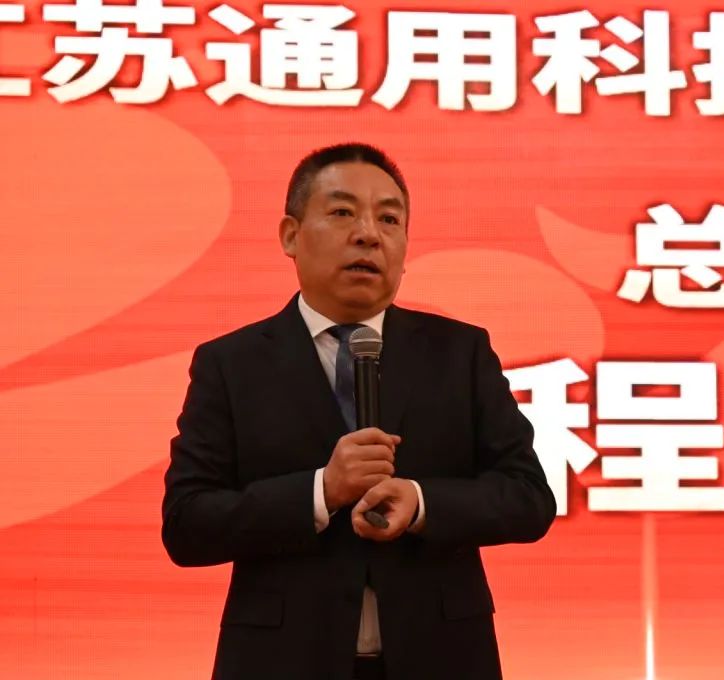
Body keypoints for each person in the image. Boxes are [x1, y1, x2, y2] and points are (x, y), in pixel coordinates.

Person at [161, 143, 557, 680]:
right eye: (343, 212)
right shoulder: (231, 364)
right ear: (290, 235)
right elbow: (187, 525)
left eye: (389, 219)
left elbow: (529, 499)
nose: (369, 234)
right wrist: (321, 492)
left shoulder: (460, 353)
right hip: (281, 662)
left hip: (441, 657)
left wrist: (421, 503)